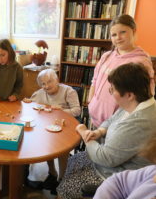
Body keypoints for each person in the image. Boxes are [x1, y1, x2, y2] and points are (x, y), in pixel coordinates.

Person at [56, 63, 156, 198]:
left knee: (67, 187)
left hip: (115, 175)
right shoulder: (138, 102)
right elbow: (111, 120)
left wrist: (84, 132)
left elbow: (105, 158)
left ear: (129, 95)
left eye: (112, 90)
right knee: (74, 160)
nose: (111, 93)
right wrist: (100, 131)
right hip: (108, 161)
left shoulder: (139, 123)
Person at [88, 14, 154, 128]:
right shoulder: (106, 56)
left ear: (133, 31)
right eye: (114, 34)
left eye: (123, 32)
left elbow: (145, 97)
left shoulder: (141, 62)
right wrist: (91, 102)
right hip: (95, 119)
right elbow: (94, 81)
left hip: (116, 126)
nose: (118, 37)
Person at [23, 68, 81, 193]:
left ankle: (62, 179)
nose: (46, 86)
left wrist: (60, 110)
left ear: (57, 80)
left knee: (62, 148)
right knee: (47, 144)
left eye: (49, 82)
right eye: (43, 84)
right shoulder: (39, 93)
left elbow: (77, 111)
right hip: (49, 127)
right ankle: (52, 174)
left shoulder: (68, 91)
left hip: (67, 127)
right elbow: (31, 105)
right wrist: (27, 102)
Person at [93, 131, 156, 199]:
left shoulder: (136, 124)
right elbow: (119, 181)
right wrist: (99, 131)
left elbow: (105, 157)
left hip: (105, 171)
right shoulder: (152, 172)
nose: (154, 179)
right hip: (108, 171)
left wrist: (87, 138)